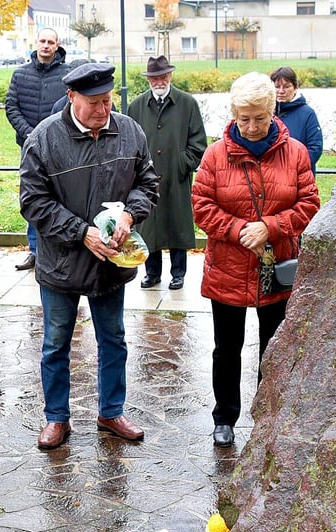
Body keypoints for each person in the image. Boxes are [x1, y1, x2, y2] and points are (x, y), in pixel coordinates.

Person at [20, 62, 160, 449]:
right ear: (71, 98)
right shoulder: (44, 138)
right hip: (61, 265)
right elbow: (32, 202)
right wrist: (82, 233)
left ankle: (111, 412)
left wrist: (131, 213)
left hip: (111, 263)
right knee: (55, 343)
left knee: (113, 339)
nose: (103, 110)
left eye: (108, 101)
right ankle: (56, 419)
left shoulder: (128, 130)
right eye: (94, 102)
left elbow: (148, 182)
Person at [191, 72, 320, 447]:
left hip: (276, 269)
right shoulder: (216, 154)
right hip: (228, 268)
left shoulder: (294, 152)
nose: (250, 126)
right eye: (243, 118)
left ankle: (267, 414)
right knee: (226, 347)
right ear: (233, 113)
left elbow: (310, 203)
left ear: (272, 111)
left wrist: (271, 226)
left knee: (273, 346)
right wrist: (236, 230)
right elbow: (201, 206)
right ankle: (224, 416)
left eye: (259, 118)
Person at [5, 28, 83, 272]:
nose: (46, 45)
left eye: (51, 42)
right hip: (28, 146)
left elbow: (70, 105)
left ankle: (62, 247)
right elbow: (12, 106)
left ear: (57, 44)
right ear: (35, 43)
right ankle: (34, 251)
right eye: (42, 41)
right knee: (33, 196)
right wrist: (30, 134)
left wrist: (50, 134)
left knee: (62, 195)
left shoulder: (66, 75)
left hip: (60, 145)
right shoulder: (20, 74)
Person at [127, 56, 207, 291]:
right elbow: (130, 142)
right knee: (148, 226)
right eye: (154, 77)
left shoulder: (187, 103)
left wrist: (183, 163)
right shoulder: (137, 106)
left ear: (170, 76)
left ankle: (178, 273)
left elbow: (198, 142)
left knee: (177, 225)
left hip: (176, 177)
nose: (159, 81)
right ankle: (151, 273)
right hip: (147, 179)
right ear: (148, 79)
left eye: (163, 76)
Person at [270, 66, 323, 173]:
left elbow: (315, 148)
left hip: (298, 174)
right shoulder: (265, 112)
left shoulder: (307, 113)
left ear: (295, 87)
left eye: (286, 87)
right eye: (277, 87)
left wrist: (295, 167)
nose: (281, 91)